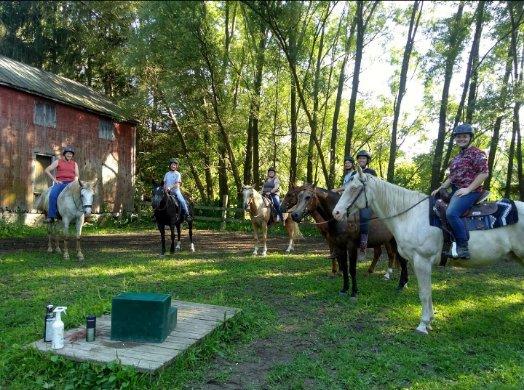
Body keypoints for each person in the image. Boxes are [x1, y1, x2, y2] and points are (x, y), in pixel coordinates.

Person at [431, 123, 488, 259]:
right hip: (457, 191)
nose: (461, 139)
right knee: (435, 204)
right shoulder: (456, 158)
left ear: (470, 137)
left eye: (464, 136)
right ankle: (445, 242)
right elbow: (452, 176)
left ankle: (463, 247)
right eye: (458, 137)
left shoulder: (477, 153)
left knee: (451, 213)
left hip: (471, 191)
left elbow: (484, 173)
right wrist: (440, 188)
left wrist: (468, 189)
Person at [44, 146, 79, 223]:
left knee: (81, 194)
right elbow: (47, 170)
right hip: (60, 182)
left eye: (71, 154)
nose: (69, 155)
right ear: (64, 154)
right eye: (68, 153)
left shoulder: (74, 164)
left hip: (71, 183)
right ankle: (51, 217)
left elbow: (76, 175)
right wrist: (55, 180)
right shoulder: (58, 161)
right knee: (52, 195)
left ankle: (79, 215)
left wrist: (75, 183)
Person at [354, 150, 377, 252]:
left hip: (366, 200)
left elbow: (374, 186)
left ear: (367, 160)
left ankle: (363, 241)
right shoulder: (354, 173)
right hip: (354, 199)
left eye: (363, 158)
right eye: (360, 158)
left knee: (364, 215)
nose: (361, 160)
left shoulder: (371, 172)